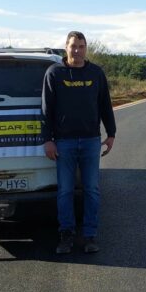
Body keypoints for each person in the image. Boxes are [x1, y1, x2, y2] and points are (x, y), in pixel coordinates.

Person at [42, 31, 116, 254]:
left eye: (81, 46)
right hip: (63, 142)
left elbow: (105, 104)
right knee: (65, 190)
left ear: (86, 48)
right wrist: (48, 140)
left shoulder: (95, 73)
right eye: (73, 46)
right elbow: (46, 110)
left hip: (91, 141)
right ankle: (66, 234)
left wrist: (111, 133)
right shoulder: (54, 73)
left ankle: (90, 235)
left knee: (91, 189)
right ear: (66, 47)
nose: (77, 50)